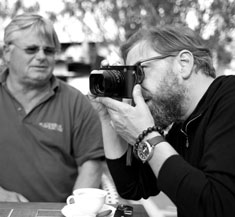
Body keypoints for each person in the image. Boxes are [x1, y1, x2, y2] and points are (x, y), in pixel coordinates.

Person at [89, 25, 235, 217]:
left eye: (139, 72)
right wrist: (106, 114)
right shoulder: (182, 126)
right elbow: (132, 187)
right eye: (131, 77)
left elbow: (217, 207)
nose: (136, 87)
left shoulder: (230, 98)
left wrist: (147, 136)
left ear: (183, 63)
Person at [0, 13, 104, 202]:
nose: (41, 57)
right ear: (7, 52)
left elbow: (92, 166)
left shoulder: (76, 103)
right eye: (31, 49)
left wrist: (74, 211)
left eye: (48, 51)